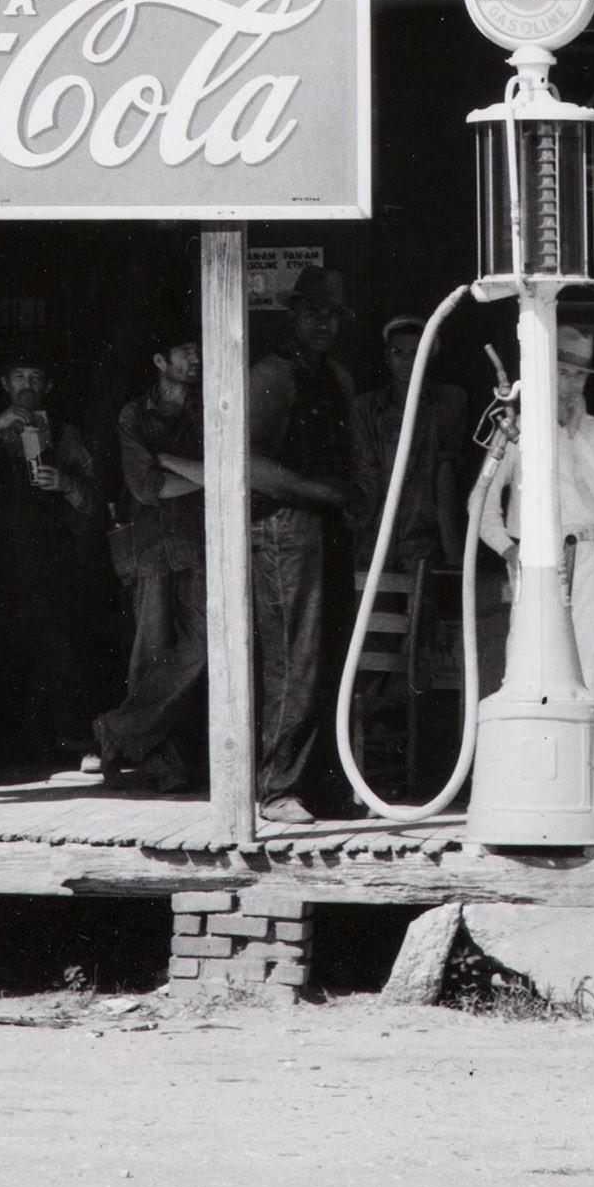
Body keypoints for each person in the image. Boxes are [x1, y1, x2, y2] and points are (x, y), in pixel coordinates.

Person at [0, 356, 102, 767]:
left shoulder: (64, 432)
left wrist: (64, 483)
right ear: (4, 382)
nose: (27, 384)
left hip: (49, 556)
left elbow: (91, 499)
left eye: (35, 376)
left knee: (59, 644)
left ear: (47, 385)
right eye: (19, 376)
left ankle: (73, 741)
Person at [245, 268, 359, 822]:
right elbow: (249, 464)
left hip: (328, 527)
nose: (323, 323)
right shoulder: (272, 376)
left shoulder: (334, 376)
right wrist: (323, 492)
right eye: (313, 312)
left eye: (332, 314)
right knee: (296, 657)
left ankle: (324, 786)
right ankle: (276, 788)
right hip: (284, 529)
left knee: (332, 653)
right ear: (294, 314)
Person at [474, 322, 594, 695]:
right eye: (563, 373)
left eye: (579, 376)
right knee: (529, 652)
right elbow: (480, 501)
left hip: (586, 551)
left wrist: (574, 435)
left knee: (584, 657)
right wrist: (506, 549)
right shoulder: (518, 430)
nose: (571, 384)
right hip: (534, 554)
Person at [95, 325, 207, 789]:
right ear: (161, 362)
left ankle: (117, 729)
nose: (196, 358)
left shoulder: (206, 406)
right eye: (186, 350)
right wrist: (207, 474)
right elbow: (148, 487)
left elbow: (227, 465)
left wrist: (171, 462)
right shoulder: (133, 415)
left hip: (199, 544)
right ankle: (159, 764)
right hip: (151, 547)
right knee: (151, 656)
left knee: (205, 647)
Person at [350, 312, 469, 577]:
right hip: (376, 540)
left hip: (425, 543)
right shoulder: (367, 408)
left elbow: (445, 476)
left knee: (421, 613)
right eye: (398, 352)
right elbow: (366, 475)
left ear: (429, 355)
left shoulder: (448, 402)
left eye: (416, 352)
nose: (407, 361)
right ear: (386, 357)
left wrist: (453, 554)